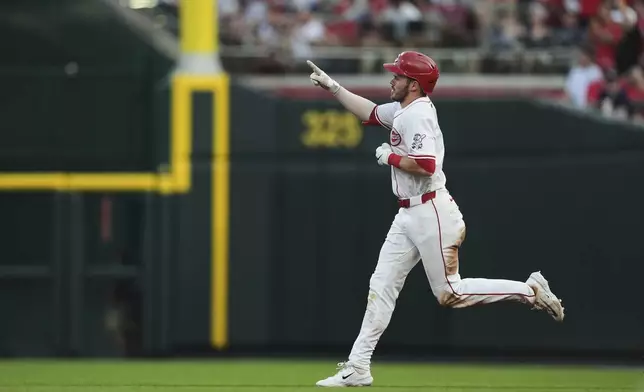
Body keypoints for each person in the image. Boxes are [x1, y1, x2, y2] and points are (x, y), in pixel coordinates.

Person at [306, 52, 565, 388]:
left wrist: (391, 157)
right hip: (408, 213)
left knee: (450, 292)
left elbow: (427, 164)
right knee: (381, 285)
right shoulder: (405, 109)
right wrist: (333, 87)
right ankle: (358, 366)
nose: (392, 79)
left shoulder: (419, 115)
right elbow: (370, 112)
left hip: (432, 212)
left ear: (413, 84)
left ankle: (528, 291)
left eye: (398, 75)